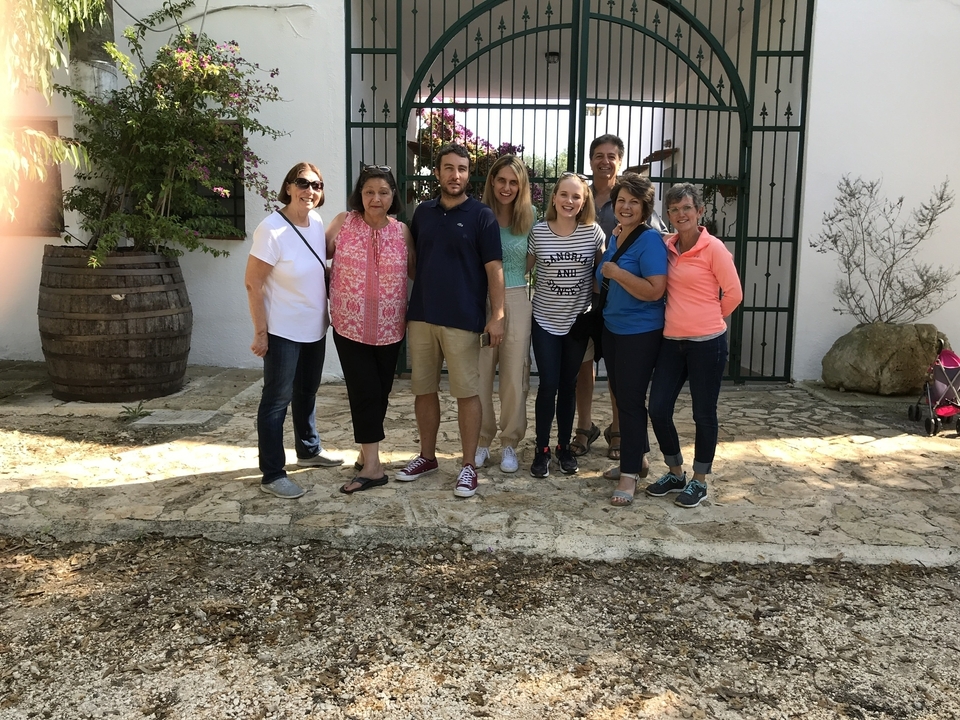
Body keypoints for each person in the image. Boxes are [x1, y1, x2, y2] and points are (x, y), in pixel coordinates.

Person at [395, 144, 505, 498]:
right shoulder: (422, 213)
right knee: (424, 390)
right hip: (423, 316)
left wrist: (497, 315)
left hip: (463, 319)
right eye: (448, 168)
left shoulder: (482, 215)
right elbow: (413, 260)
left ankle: (469, 465)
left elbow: (494, 269)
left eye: (461, 168)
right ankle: (427, 457)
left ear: (468, 173)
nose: (454, 175)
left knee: (466, 393)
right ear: (438, 172)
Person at [244, 162, 343, 499]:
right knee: (276, 400)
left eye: (316, 185)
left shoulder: (315, 223)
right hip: (283, 331)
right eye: (302, 183)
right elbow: (253, 283)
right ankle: (272, 473)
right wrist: (261, 332)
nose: (309, 190)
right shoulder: (271, 229)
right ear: (288, 187)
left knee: (307, 392)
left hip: (314, 328)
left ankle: (308, 449)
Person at [645, 183, 743, 508]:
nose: (680, 214)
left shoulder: (713, 248)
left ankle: (699, 480)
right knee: (658, 408)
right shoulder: (667, 246)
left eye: (687, 208)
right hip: (672, 343)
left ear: (699, 211)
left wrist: (710, 319)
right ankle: (675, 472)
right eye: (674, 209)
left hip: (707, 344)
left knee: (704, 414)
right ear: (669, 214)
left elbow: (734, 294)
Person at [325, 165, 414, 494]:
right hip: (350, 326)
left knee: (380, 392)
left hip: (391, 327)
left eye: (384, 192)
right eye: (369, 192)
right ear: (359, 195)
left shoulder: (402, 231)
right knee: (363, 391)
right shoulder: (343, 223)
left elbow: (418, 270)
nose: (376, 198)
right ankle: (374, 468)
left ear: (394, 196)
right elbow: (313, 257)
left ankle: (366, 452)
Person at [527, 172, 605, 478]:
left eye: (576, 196)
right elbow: (521, 271)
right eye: (564, 195)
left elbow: (603, 278)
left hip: (577, 324)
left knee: (569, 385)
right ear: (554, 198)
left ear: (584, 201)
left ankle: (563, 447)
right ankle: (542, 448)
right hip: (545, 321)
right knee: (547, 385)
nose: (569, 201)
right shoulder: (539, 232)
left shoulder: (593, 233)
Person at [596, 173, 667, 506]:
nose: (625, 207)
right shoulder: (618, 235)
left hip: (639, 332)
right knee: (621, 395)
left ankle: (628, 476)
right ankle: (637, 460)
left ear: (645, 207)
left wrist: (617, 272)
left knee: (630, 399)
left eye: (633, 202)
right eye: (621, 200)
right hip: (613, 328)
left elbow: (655, 291)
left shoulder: (649, 240)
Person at [474, 156, 535, 474]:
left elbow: (530, 260)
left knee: (514, 376)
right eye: (502, 181)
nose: (507, 188)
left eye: (514, 182)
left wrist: (509, 286)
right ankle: (482, 440)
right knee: (481, 374)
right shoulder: (478, 215)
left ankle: (510, 443)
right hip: (480, 301)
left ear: (521, 185)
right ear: (492, 182)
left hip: (516, 298)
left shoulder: (531, 218)